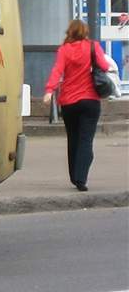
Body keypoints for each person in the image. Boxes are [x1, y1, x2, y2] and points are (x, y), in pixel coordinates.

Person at [43, 19, 104, 192]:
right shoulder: (93, 46)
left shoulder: (64, 50)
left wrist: (49, 90)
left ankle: (74, 176)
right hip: (90, 100)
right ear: (85, 32)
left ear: (69, 32)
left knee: (74, 139)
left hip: (69, 102)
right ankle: (81, 178)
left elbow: (57, 70)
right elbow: (105, 66)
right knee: (86, 140)